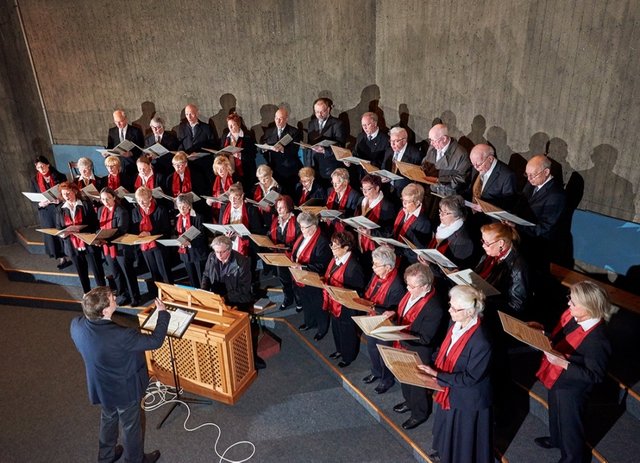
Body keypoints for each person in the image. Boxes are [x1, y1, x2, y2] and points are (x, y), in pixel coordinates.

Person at [70, 286, 168, 463]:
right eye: (112, 298)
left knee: (108, 418)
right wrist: (162, 314)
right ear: (105, 310)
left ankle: (106, 457)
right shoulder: (122, 335)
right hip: (124, 389)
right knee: (131, 426)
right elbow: (155, 341)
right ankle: (135, 460)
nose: (115, 297)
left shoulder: (76, 325)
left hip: (100, 386)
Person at [533, 281, 616, 463]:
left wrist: (564, 364)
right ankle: (556, 440)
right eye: (570, 299)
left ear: (588, 308)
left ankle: (571, 458)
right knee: (555, 413)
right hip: (558, 378)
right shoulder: (576, 318)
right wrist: (544, 333)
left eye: (574, 302)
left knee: (570, 426)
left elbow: (595, 376)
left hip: (573, 388)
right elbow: (563, 338)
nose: (569, 304)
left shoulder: (598, 340)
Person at [418, 285, 493, 463]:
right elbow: (446, 349)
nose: (449, 310)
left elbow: (470, 378)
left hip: (469, 398)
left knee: (463, 442)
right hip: (452, 388)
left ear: (469, 312)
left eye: (455, 308)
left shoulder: (482, 341)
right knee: (446, 427)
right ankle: (445, 453)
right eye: (450, 305)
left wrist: (437, 375)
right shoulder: (456, 322)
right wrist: (433, 364)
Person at [389, 263, 445, 430]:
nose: (408, 288)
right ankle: (408, 401)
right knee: (404, 377)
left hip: (419, 351)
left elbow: (426, 339)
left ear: (426, 286)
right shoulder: (410, 294)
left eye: (412, 286)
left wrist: (398, 334)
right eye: (407, 284)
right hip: (403, 343)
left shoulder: (435, 307)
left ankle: (419, 413)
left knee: (417, 384)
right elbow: (403, 312)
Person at [200, 235, 266, 370]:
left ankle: (251, 358)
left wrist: (225, 298)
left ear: (229, 249)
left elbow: (244, 289)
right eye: (216, 251)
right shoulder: (212, 257)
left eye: (221, 252)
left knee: (246, 331)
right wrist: (203, 293)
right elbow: (206, 275)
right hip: (217, 299)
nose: (218, 255)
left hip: (238, 300)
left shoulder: (242, 262)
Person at [362, 246, 405, 394]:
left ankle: (386, 379)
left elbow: (395, 308)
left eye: (376, 264)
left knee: (384, 352)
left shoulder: (397, 284)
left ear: (388, 267)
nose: (373, 267)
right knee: (372, 348)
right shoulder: (377, 274)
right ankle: (376, 372)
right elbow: (369, 288)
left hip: (386, 323)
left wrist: (372, 306)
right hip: (372, 317)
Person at [323, 231, 366, 368]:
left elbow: (359, 291)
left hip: (347, 307)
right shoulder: (336, 258)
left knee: (347, 332)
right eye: (332, 245)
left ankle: (348, 356)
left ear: (346, 248)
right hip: (335, 302)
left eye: (335, 246)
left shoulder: (354, 266)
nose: (332, 248)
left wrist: (341, 289)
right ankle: (339, 350)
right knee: (336, 328)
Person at [56, 181, 107, 294]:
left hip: (88, 242)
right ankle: (87, 293)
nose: (66, 196)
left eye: (68, 193)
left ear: (74, 191)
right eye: (64, 194)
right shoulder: (60, 209)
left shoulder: (85, 204)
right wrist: (64, 232)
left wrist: (81, 229)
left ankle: (103, 293)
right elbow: (59, 227)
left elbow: (94, 223)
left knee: (97, 270)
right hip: (72, 245)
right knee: (81, 272)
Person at [290, 212, 332, 338]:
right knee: (306, 302)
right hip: (300, 278)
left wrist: (302, 267)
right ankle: (309, 322)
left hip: (314, 281)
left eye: (304, 227)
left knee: (318, 306)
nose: (301, 230)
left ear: (313, 227)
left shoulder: (322, 242)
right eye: (300, 227)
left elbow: (322, 265)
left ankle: (322, 329)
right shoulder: (302, 235)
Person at [474, 222, 529, 316]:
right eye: (483, 241)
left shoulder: (518, 267)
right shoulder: (488, 256)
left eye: (487, 243)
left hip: (494, 312)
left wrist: (485, 300)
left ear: (501, 243)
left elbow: (516, 305)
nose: (483, 246)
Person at [98, 188, 140, 306]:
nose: (105, 201)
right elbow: (99, 226)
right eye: (103, 199)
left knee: (128, 273)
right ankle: (122, 295)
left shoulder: (121, 211)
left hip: (121, 248)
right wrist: (98, 238)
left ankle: (134, 297)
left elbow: (122, 230)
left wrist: (106, 238)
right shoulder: (101, 210)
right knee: (116, 273)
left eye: (108, 198)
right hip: (108, 248)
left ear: (114, 198)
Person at [131, 186, 173, 292]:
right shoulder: (135, 211)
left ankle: (171, 294)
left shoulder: (161, 210)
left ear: (150, 198)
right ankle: (158, 294)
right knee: (154, 272)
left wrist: (150, 233)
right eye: (139, 201)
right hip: (145, 247)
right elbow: (134, 228)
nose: (142, 203)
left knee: (165, 272)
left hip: (159, 246)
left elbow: (167, 229)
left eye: (144, 200)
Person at [30, 156, 70, 269]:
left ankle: (69, 253)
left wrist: (60, 199)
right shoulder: (34, 180)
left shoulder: (60, 176)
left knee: (62, 232)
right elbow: (33, 197)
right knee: (52, 234)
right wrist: (39, 204)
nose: (41, 169)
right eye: (38, 167)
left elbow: (68, 191)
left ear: (48, 165)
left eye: (42, 166)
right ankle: (61, 257)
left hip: (59, 208)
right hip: (45, 211)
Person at [423, 195, 478, 274]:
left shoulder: (463, 240)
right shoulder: (443, 226)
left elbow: (452, 271)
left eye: (445, 213)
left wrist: (430, 266)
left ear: (457, 215)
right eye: (440, 211)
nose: (440, 215)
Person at [268, 195, 300, 310]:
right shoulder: (275, 221)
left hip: (293, 257)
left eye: (282, 207)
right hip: (279, 256)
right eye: (277, 207)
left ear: (289, 207)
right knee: (284, 280)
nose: (279, 210)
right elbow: (270, 234)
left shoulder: (296, 221)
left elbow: (300, 240)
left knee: (295, 281)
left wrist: (286, 246)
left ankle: (299, 301)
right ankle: (288, 299)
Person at [261, 107, 302, 195]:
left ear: (286, 119)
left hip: (289, 170)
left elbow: (294, 150)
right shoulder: (269, 131)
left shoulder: (294, 132)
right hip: (274, 168)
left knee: (289, 195)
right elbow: (264, 146)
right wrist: (264, 149)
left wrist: (283, 149)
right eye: (276, 118)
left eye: (281, 119)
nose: (278, 121)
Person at [306, 97, 347, 185]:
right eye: (317, 112)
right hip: (315, 166)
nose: (319, 114)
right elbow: (310, 146)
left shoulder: (338, 124)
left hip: (330, 167)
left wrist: (325, 150)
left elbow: (341, 147)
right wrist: (308, 167)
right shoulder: (311, 124)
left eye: (322, 111)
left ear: (328, 109)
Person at [466, 143, 517, 212]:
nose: (476, 168)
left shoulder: (507, 176)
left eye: (479, 164)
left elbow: (509, 204)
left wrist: (485, 206)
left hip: (491, 219)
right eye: (473, 164)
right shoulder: (478, 166)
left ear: (490, 159)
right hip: (473, 214)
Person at [173, 194, 208, 288]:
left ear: (189, 206)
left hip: (198, 253)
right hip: (185, 254)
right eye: (179, 207)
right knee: (192, 279)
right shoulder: (177, 218)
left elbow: (202, 236)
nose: (182, 209)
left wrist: (190, 242)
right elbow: (175, 233)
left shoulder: (198, 217)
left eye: (184, 206)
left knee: (202, 279)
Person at [392, 183, 432, 266]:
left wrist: (396, 249)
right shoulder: (402, 210)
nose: (403, 204)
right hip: (395, 253)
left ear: (417, 202)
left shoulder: (424, 223)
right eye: (403, 200)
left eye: (407, 202)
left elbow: (418, 252)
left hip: (407, 263)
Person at [381, 127, 423, 203]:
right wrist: (382, 176)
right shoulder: (389, 151)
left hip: (403, 194)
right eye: (391, 141)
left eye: (396, 141)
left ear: (404, 141)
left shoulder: (415, 155)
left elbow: (417, 179)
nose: (392, 144)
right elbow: (384, 167)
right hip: (387, 190)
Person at [222, 112, 257, 190]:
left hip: (245, 171)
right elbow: (221, 149)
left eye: (233, 125)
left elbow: (253, 155)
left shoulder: (248, 136)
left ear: (238, 124)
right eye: (229, 125)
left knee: (245, 191)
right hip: (230, 170)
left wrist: (240, 155)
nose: (230, 127)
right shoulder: (225, 135)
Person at [107, 109, 144, 177]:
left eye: (120, 121)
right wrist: (106, 153)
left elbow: (141, 148)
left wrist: (131, 153)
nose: (118, 124)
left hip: (131, 164)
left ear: (125, 119)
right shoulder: (112, 131)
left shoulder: (136, 131)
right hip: (117, 165)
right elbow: (110, 147)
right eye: (116, 121)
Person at [206, 154, 236, 222]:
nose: (220, 171)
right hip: (217, 211)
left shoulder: (234, 177)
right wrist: (209, 201)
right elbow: (210, 196)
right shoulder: (213, 180)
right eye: (218, 169)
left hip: (232, 209)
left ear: (227, 167)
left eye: (222, 169)